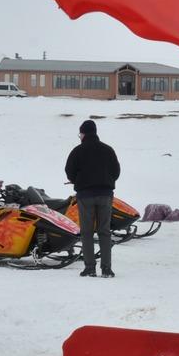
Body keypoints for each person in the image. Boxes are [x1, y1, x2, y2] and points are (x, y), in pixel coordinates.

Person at [66, 119, 121, 277]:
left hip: (85, 196)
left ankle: (90, 268)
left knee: (87, 232)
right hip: (105, 195)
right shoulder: (108, 150)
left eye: (80, 134)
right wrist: (106, 182)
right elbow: (116, 171)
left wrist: (78, 180)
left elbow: (69, 171)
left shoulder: (77, 151)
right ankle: (106, 269)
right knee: (104, 231)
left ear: (83, 134)